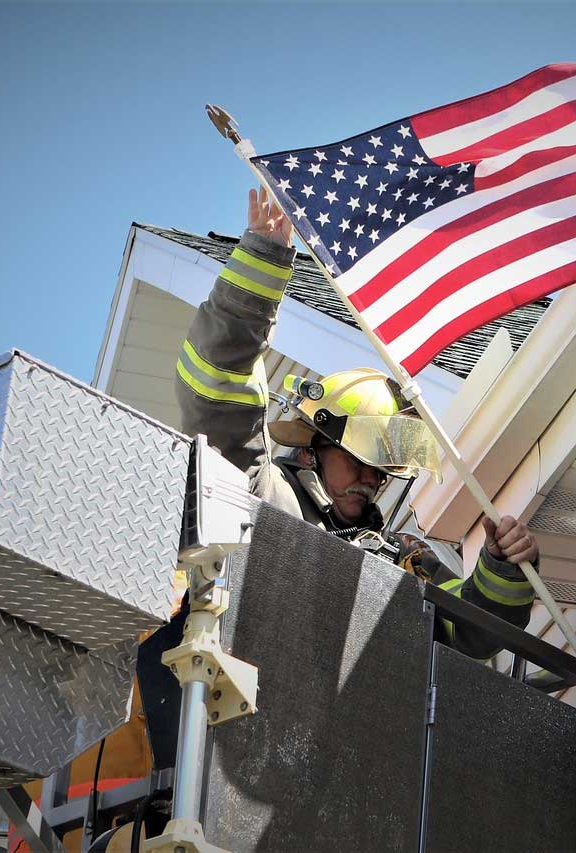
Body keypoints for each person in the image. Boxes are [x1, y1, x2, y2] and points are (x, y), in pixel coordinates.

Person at [173, 185, 540, 658]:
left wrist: (502, 565)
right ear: (311, 448)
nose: (372, 480)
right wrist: (262, 261)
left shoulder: (404, 559)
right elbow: (218, 392)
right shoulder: (266, 495)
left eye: (383, 470)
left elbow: (472, 635)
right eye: (362, 461)